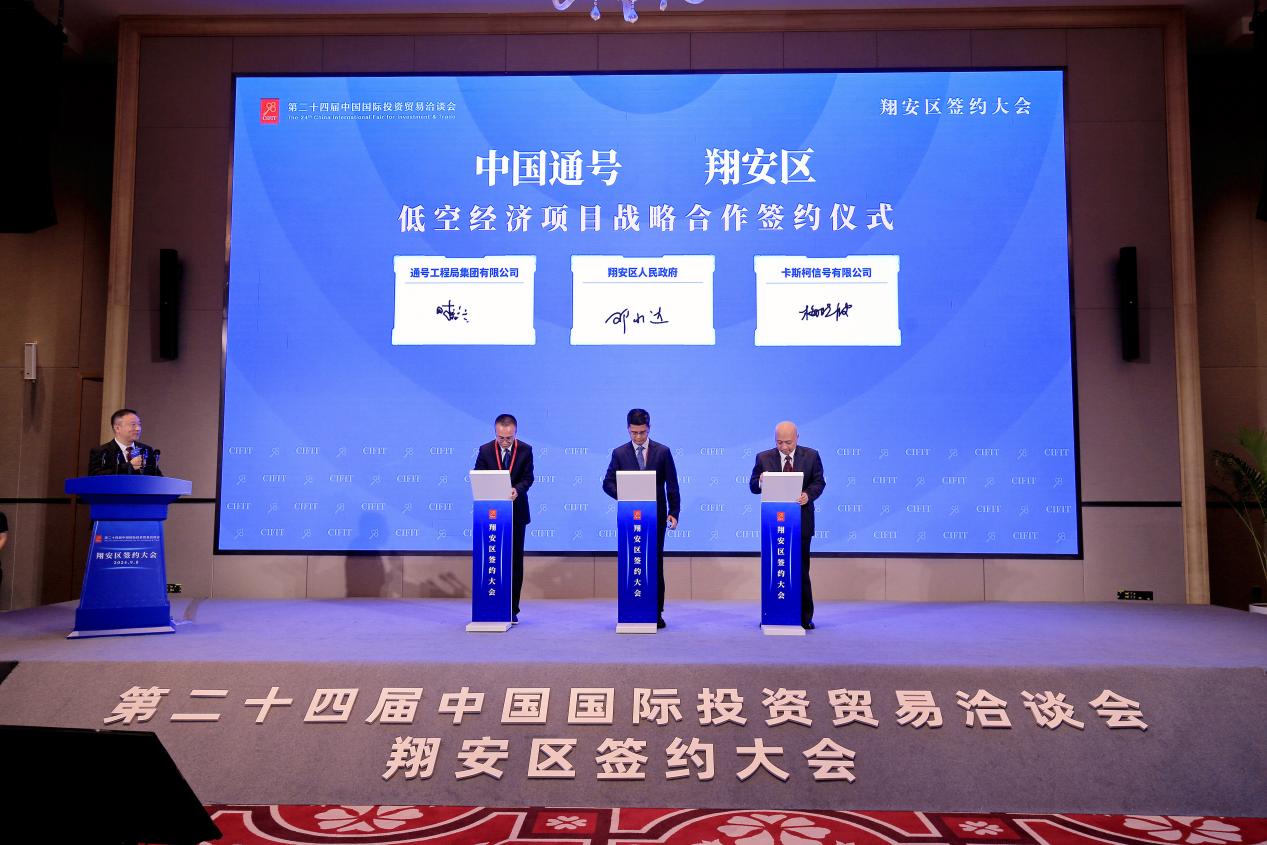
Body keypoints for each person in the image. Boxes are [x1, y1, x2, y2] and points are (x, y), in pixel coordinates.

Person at [602, 408, 680, 628]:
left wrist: (674, 512)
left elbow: (672, 485)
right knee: (632, 561)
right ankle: (631, 608)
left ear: (649, 429)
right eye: (634, 432)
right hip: (630, 519)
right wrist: (625, 495)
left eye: (642, 432)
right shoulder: (619, 453)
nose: (638, 437)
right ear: (628, 429)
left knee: (654, 562)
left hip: (655, 518)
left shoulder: (662, 452)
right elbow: (607, 483)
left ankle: (656, 612)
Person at [749, 421, 826, 629]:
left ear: (797, 438)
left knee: (800, 570)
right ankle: (772, 614)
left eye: (788, 442)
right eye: (779, 442)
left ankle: (804, 617)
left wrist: (808, 495)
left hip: (801, 523)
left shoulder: (811, 456)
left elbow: (819, 482)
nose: (784, 447)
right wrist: (761, 481)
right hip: (773, 527)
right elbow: (753, 486)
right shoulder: (763, 458)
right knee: (774, 569)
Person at [473, 413, 534, 623]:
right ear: (495, 433)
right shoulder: (485, 450)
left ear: (515, 433)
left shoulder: (525, 450)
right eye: (501, 438)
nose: (505, 442)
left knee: (515, 561)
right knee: (493, 558)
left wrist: (518, 489)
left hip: (516, 513)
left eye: (509, 438)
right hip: (491, 515)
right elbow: (478, 476)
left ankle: (512, 609)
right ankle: (491, 605)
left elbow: (528, 478)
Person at [88, 409, 163, 476]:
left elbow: (157, 477)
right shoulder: (102, 452)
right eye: (133, 425)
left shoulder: (146, 450)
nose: (138, 428)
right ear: (117, 428)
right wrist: (129, 466)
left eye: (139, 424)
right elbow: (95, 476)